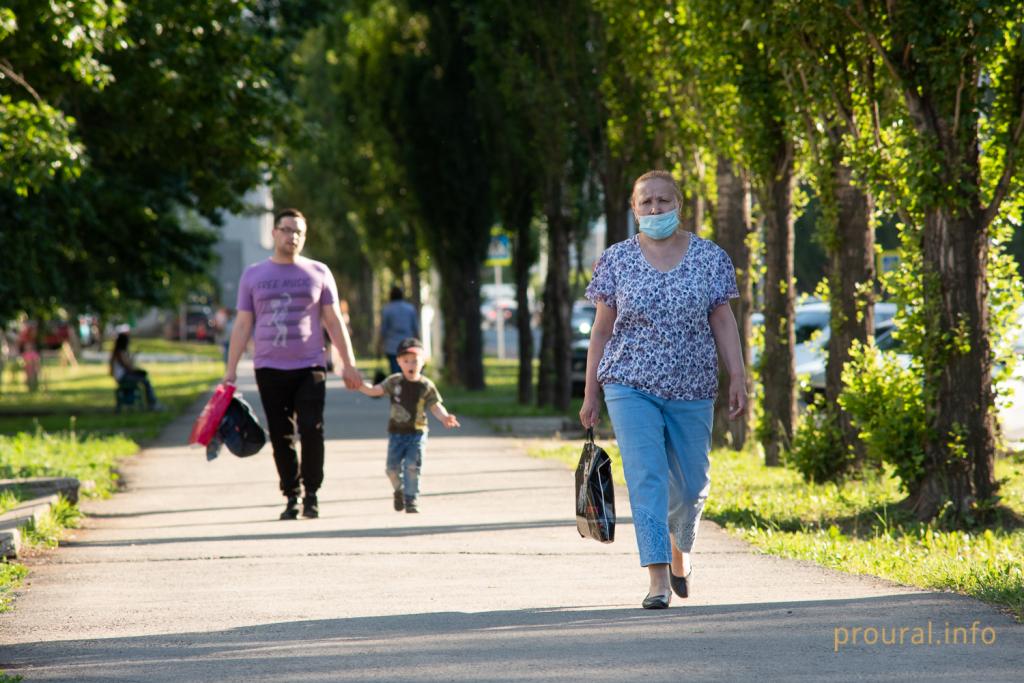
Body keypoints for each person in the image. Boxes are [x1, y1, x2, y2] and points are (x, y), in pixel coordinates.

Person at [578, 169, 746, 610]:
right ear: (634, 210)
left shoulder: (711, 258)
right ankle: (656, 580)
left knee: (692, 485)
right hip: (629, 383)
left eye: (663, 201)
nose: (655, 209)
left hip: (693, 385)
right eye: (646, 203)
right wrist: (591, 391)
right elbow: (601, 329)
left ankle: (679, 550)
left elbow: (724, 320)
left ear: (679, 205)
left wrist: (739, 375)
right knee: (646, 476)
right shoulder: (616, 260)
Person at [224, 208, 363, 521]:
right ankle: (291, 494)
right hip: (269, 368)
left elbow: (333, 320)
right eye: (287, 230)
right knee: (281, 435)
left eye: (299, 232)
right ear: (274, 233)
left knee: (312, 429)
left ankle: (312, 493)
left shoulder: (318, 272)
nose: (293, 237)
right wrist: (230, 371)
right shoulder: (253, 275)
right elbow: (243, 325)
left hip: (310, 365)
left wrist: (349, 364)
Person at [358, 337, 459, 513]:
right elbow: (375, 391)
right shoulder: (394, 381)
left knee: (412, 466)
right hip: (396, 433)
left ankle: (411, 499)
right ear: (398, 362)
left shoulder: (426, 385)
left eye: (415, 360)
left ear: (423, 362)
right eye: (406, 361)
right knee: (391, 469)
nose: (410, 364)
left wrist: (444, 417)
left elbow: (435, 406)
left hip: (417, 433)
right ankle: (400, 489)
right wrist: (358, 385)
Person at [108, 332, 162, 409]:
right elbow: (128, 367)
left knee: (144, 377)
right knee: (145, 381)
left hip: (124, 376)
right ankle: (152, 404)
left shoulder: (120, 352)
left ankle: (152, 403)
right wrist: (137, 371)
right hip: (122, 377)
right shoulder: (119, 353)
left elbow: (129, 365)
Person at [379, 286, 420, 374]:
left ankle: (397, 387)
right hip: (408, 345)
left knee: (395, 371)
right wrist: (418, 344)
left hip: (392, 346)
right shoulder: (410, 309)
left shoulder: (387, 309)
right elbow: (415, 328)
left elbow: (383, 330)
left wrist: (379, 345)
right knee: (408, 370)